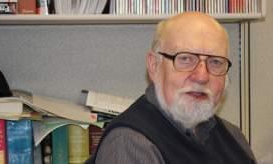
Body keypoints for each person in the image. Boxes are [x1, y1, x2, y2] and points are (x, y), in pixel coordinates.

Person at [87, 12, 256, 164]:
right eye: (185, 59)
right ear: (154, 66)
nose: (202, 76)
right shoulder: (130, 143)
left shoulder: (233, 137)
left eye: (215, 62)